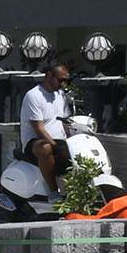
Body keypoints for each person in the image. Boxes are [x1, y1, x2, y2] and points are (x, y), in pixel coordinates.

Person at [18, 57, 74, 190]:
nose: (63, 84)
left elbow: (66, 123)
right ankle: (53, 191)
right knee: (45, 148)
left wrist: (73, 142)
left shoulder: (61, 95)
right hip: (35, 142)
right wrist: (57, 147)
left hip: (58, 141)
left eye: (66, 80)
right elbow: (39, 129)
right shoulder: (34, 95)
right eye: (61, 80)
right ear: (49, 75)